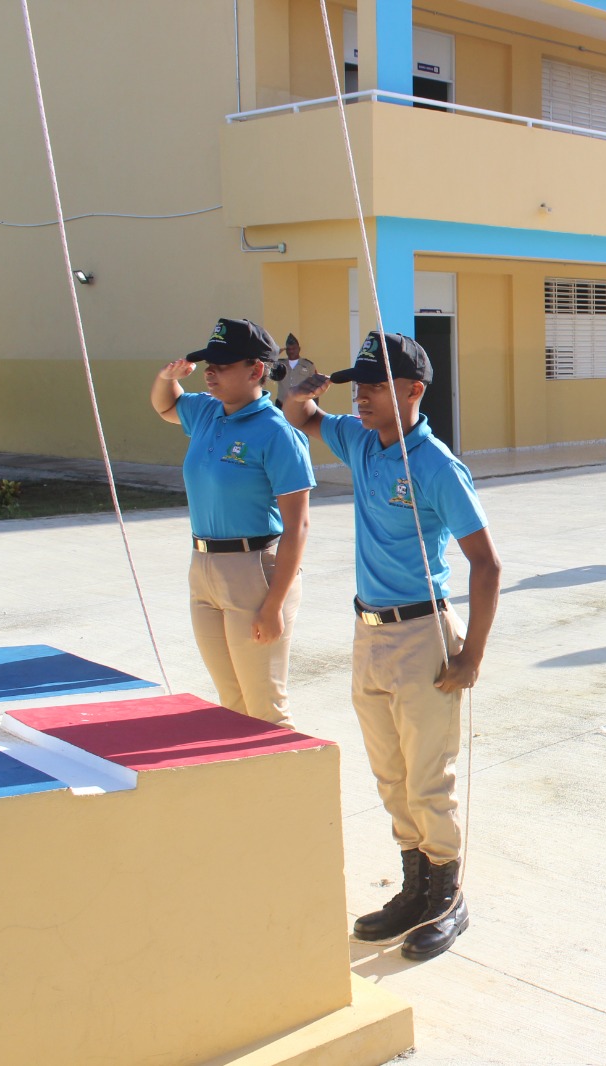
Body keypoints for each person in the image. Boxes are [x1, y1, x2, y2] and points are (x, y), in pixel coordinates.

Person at [283, 330, 501, 961]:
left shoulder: (436, 466)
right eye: (359, 387)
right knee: (390, 774)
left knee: (429, 777)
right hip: (369, 633)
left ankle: (448, 895)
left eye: (375, 386)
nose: (363, 398)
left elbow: (485, 564)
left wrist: (471, 655)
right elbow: (301, 413)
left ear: (413, 390)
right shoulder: (361, 444)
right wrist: (301, 379)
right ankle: (415, 886)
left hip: (421, 634)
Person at [150, 317, 314, 727]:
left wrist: (274, 604)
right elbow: (165, 404)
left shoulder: (277, 432)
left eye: (222, 365)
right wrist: (166, 376)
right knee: (231, 703)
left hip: (254, 571)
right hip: (203, 567)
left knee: (265, 707)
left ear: (256, 370)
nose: (210, 373)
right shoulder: (207, 412)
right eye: (208, 364)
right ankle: (248, 789)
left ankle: (284, 788)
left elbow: (298, 527)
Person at [272, 332, 318, 408]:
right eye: (289, 349)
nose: (291, 351)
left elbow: (315, 386)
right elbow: (266, 366)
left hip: (301, 406)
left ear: (299, 349)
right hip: (282, 405)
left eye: (294, 348)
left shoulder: (308, 365)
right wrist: (275, 355)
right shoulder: (279, 364)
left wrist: (315, 407)